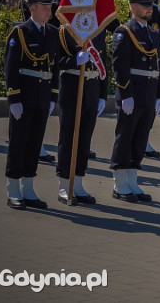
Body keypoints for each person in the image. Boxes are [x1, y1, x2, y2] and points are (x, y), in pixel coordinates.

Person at [4, 0, 62, 210]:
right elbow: (11, 68)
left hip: (43, 96)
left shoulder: (53, 32)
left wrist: (53, 96)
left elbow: (55, 68)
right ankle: (13, 189)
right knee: (18, 143)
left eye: (50, 8)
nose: (49, 11)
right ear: (33, 8)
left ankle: (28, 188)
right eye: (45, 8)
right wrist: (14, 98)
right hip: (24, 96)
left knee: (35, 143)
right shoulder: (20, 33)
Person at [109, 0, 160, 203]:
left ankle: (132, 182)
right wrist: (126, 94)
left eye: (150, 5)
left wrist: (159, 94)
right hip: (132, 93)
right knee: (125, 137)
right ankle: (120, 184)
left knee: (140, 139)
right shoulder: (124, 32)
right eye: (144, 5)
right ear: (133, 7)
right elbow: (120, 66)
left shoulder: (153, 33)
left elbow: (157, 65)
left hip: (149, 93)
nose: (149, 8)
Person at [54, 26, 107, 205]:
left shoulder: (98, 30)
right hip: (72, 88)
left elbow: (103, 61)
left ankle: (78, 183)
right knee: (68, 138)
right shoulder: (66, 30)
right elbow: (55, 61)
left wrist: (102, 94)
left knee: (84, 140)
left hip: (92, 88)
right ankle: (64, 185)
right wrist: (74, 61)